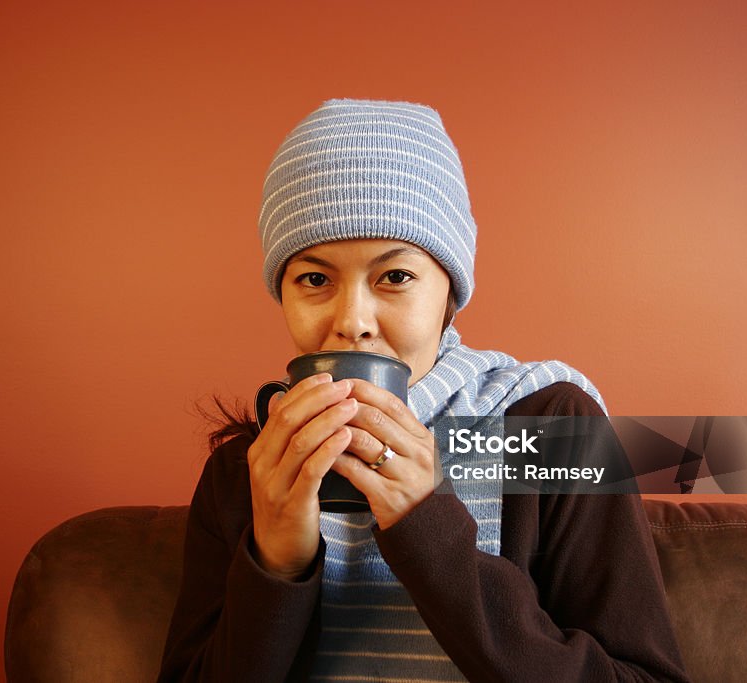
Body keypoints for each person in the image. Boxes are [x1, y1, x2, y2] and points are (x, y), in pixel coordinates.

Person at [159, 99, 688, 682]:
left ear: (450, 294)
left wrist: (426, 526)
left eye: (396, 276)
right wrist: (276, 561)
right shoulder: (247, 467)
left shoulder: (553, 429)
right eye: (314, 278)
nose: (353, 319)